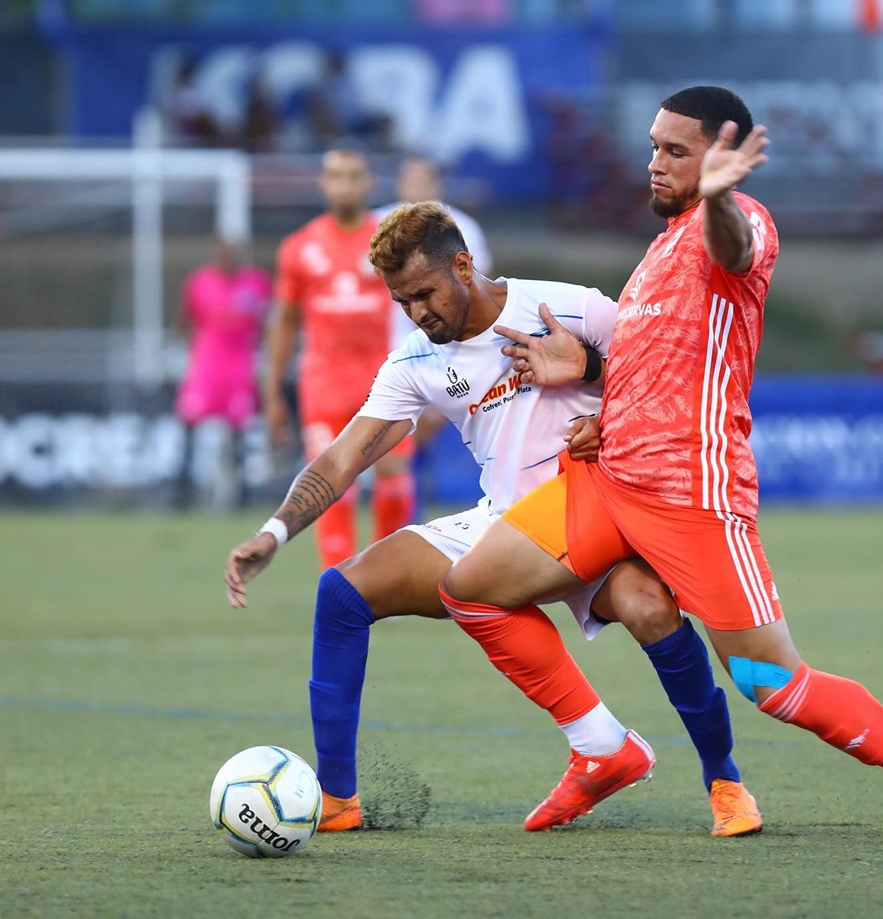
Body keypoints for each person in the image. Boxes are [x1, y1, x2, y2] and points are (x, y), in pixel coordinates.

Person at [438, 86, 883, 841]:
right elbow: (653, 367)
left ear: (720, 163)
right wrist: (589, 374)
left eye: (675, 152)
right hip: (607, 481)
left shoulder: (739, 221)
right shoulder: (657, 252)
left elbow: (736, 251)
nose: (654, 163)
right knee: (473, 590)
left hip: (693, 493)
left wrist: (718, 197)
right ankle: (601, 747)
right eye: (654, 145)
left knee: (769, 682)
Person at [225, 201, 763, 838]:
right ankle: (339, 799)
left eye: (425, 293)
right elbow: (343, 457)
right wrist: (276, 529)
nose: (418, 314)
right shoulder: (416, 362)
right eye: (403, 301)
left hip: (595, 511)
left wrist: (604, 410)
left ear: (463, 265)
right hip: (506, 525)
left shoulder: (568, 308)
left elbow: (671, 381)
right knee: (343, 594)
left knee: (649, 607)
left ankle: (724, 781)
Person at [263, 142, 416, 567]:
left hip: (383, 380)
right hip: (323, 383)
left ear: (368, 183)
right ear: (323, 183)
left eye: (353, 175)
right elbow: (285, 321)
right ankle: (338, 579)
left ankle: (389, 572)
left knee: (395, 476)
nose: (344, 184)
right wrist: (273, 390)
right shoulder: (299, 247)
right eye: (336, 175)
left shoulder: (389, 240)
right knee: (330, 483)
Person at [174, 236, 271, 508]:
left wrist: (264, 358)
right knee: (189, 424)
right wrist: (176, 355)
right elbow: (185, 320)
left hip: (239, 366)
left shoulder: (257, 284)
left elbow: (266, 324)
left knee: (239, 429)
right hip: (205, 365)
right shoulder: (199, 282)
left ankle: (240, 494)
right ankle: (181, 492)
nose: (228, 257)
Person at [376, 154, 493, 276]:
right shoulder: (376, 221)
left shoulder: (463, 226)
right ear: (399, 183)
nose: (416, 186)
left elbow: (481, 276)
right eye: (410, 180)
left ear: (438, 184)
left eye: (422, 180)